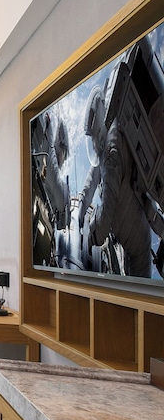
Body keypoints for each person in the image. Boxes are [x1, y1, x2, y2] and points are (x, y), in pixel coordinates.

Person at [77, 83, 153, 277]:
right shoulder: (106, 146)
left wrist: (85, 238)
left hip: (137, 246)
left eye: (93, 138)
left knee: (138, 292)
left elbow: (103, 225)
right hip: (130, 240)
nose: (93, 144)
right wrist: (80, 210)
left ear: (98, 130)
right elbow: (91, 179)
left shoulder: (111, 152)